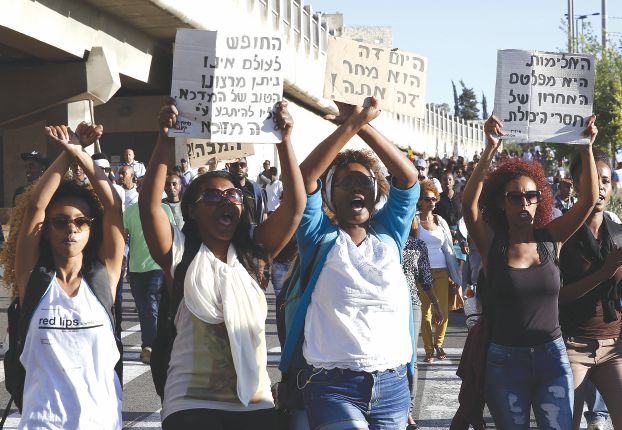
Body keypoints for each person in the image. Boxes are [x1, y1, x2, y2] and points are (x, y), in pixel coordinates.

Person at [139, 99, 305, 429]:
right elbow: (149, 206)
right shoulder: (180, 253)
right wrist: (165, 137)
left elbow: (295, 206)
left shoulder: (256, 255)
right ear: (193, 211)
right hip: (190, 405)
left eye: (232, 196)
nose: (226, 201)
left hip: (255, 406)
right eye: (212, 197)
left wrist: (284, 140)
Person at [284, 97, 419, 430]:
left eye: (365, 182)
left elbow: (409, 177)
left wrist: (365, 126)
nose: (357, 188)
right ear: (331, 192)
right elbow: (304, 179)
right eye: (347, 182)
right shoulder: (317, 235)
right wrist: (348, 127)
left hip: (393, 386)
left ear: (375, 193)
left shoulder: (390, 234)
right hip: (332, 386)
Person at [461, 114, 598, 429]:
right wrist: (489, 150)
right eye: (515, 197)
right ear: (501, 203)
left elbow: (588, 200)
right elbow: (468, 205)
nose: (525, 202)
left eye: (531, 195)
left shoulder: (552, 238)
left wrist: (584, 147)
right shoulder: (491, 244)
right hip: (504, 361)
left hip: (552, 359)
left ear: (541, 200)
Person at [5, 123, 124, 428]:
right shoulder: (33, 278)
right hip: (42, 422)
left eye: (81, 222)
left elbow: (113, 206)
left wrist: (79, 153)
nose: (71, 228)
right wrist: (65, 156)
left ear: (90, 229)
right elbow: (35, 206)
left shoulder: (103, 276)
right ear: (46, 232)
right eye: (60, 222)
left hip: (101, 421)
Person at [558, 147, 622, 430]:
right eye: (593, 179)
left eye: (605, 180)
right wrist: (604, 273)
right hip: (573, 346)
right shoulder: (560, 234)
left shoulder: (618, 232)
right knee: (565, 424)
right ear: (576, 184)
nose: (600, 187)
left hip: (613, 346)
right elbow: (556, 297)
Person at [402, 215, 443, 430]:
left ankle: (408, 412)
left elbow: (425, 278)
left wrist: (436, 303)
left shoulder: (418, 244)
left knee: (411, 358)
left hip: (413, 303)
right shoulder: (383, 238)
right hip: (386, 305)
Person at [124, 198, 175, 364]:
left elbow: (172, 234)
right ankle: (149, 344)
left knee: (152, 303)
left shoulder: (165, 209)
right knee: (143, 308)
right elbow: (123, 237)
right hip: (136, 268)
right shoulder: (130, 211)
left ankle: (152, 346)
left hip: (158, 265)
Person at [416, 179, 462, 363]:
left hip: (442, 270)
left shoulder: (440, 220)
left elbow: (448, 248)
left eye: (434, 199)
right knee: (425, 312)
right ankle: (428, 350)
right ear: (420, 201)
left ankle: (439, 344)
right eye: (427, 199)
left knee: (443, 310)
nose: (432, 202)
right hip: (422, 273)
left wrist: (455, 276)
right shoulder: (414, 221)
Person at [229, 157, 264, 225]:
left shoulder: (257, 191)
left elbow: (264, 218)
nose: (239, 167)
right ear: (230, 168)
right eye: (235, 165)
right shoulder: (225, 191)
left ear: (247, 169)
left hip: (252, 233)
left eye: (242, 164)